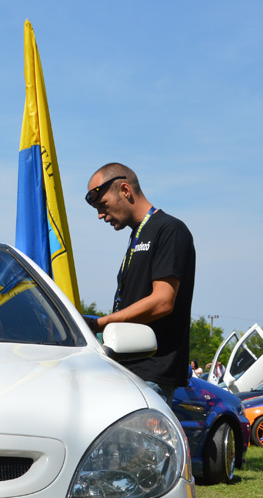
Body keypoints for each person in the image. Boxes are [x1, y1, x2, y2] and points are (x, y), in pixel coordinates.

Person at [82, 163, 196, 407]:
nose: (100, 215)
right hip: (128, 369)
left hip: (152, 374)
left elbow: (162, 301)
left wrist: (100, 323)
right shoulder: (138, 235)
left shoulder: (170, 229)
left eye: (103, 205)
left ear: (125, 190)